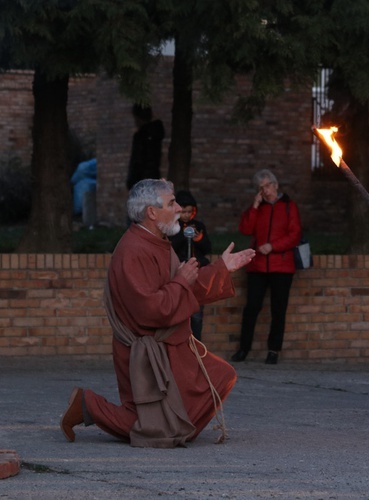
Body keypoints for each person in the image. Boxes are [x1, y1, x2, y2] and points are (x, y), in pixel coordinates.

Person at [59, 179, 255, 447]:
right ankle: (89, 405)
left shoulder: (156, 242)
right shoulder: (133, 250)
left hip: (170, 346)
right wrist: (181, 282)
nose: (178, 209)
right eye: (171, 203)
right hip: (145, 351)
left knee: (220, 377)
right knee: (149, 426)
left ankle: (172, 430)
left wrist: (223, 268)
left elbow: (186, 288)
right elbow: (151, 310)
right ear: (151, 212)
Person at [232, 169, 302, 365]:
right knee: (251, 308)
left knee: (278, 310)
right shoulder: (258, 208)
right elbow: (245, 229)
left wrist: (273, 246)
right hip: (258, 267)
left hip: (282, 265)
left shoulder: (289, 207)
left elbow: (294, 235)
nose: (265, 191)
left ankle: (274, 350)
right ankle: (243, 348)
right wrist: (254, 206)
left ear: (276, 185)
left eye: (268, 186)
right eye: (261, 188)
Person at [169, 190, 213, 341]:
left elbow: (207, 248)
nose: (187, 215)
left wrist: (198, 237)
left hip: (197, 273)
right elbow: (171, 246)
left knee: (197, 314)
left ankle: (196, 344)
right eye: (184, 212)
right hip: (179, 273)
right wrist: (183, 234)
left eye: (190, 212)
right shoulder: (172, 227)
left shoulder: (199, 225)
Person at [126, 104, 165, 190]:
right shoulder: (155, 135)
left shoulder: (141, 136)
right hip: (152, 180)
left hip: (142, 183)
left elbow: (137, 161)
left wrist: (132, 181)